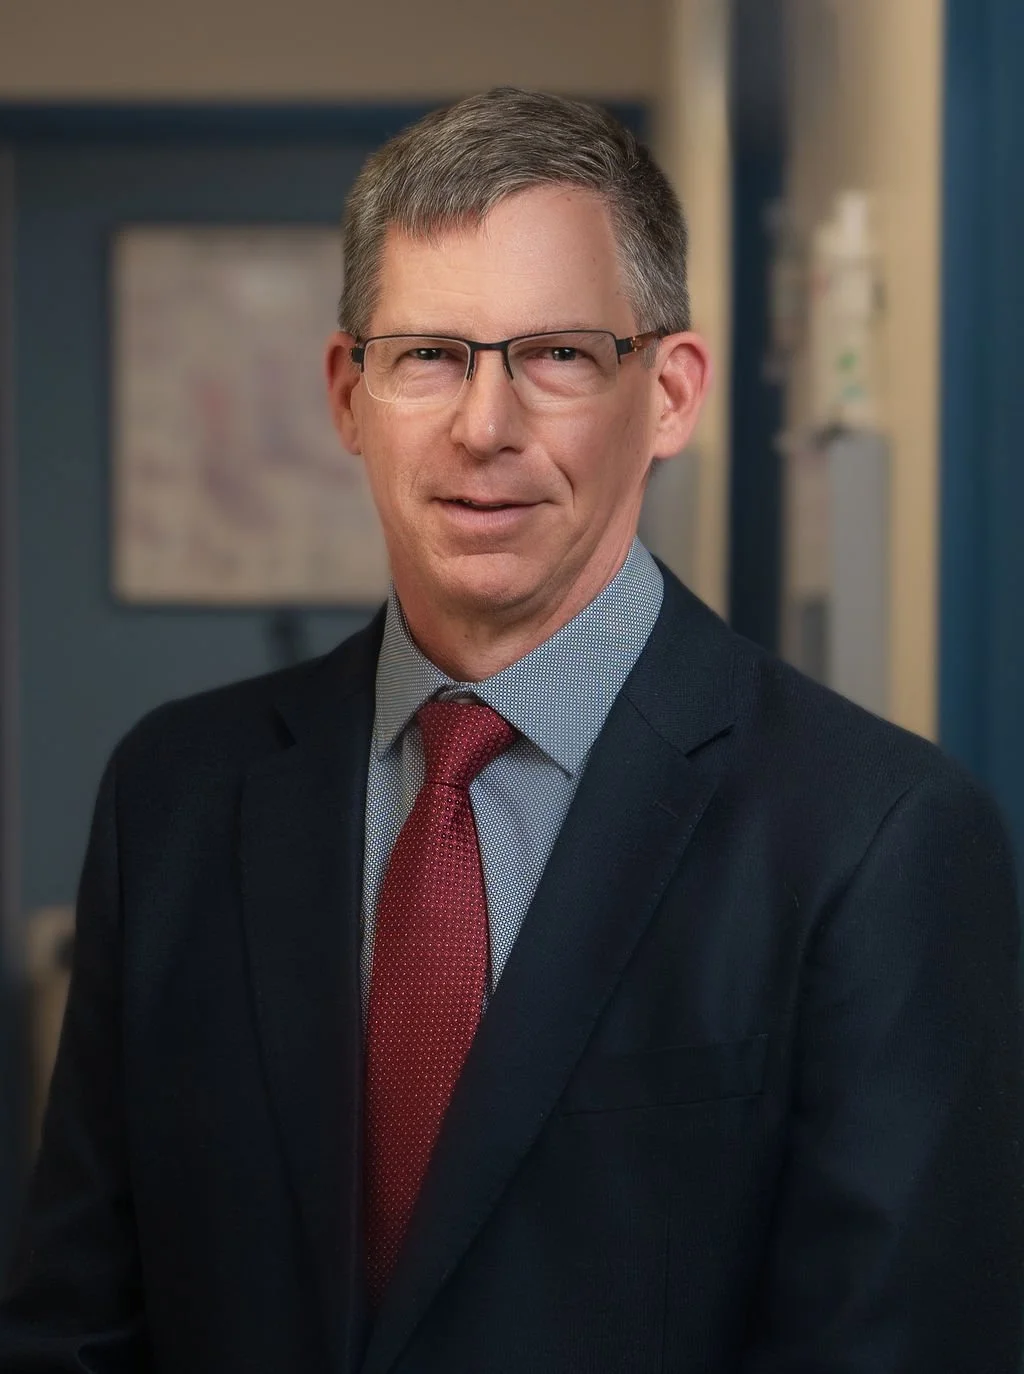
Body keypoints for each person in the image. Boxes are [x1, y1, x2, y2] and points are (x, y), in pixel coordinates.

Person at [0, 87, 1021, 1374]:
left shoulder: (875, 842)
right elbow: (77, 1323)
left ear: (670, 393)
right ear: (346, 393)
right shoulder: (177, 797)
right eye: (427, 355)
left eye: (557, 355)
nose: (486, 427)